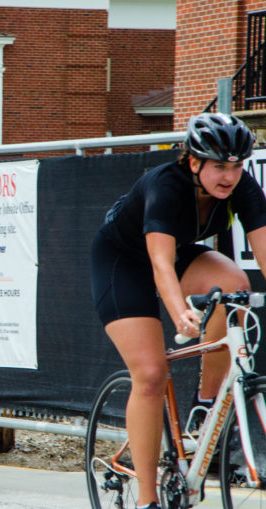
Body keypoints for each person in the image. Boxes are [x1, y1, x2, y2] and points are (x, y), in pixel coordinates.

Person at [90, 112, 266, 509]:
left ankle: (203, 409)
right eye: (219, 166)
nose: (229, 176)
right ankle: (147, 501)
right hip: (124, 261)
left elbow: (265, 250)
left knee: (234, 289)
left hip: (179, 254)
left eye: (237, 166)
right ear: (194, 162)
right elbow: (160, 264)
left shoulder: (242, 187)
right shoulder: (166, 186)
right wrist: (178, 312)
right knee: (151, 374)